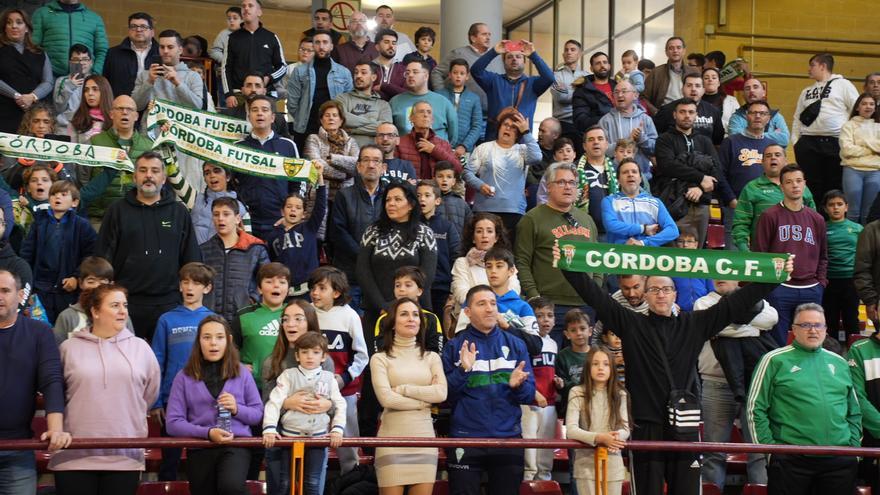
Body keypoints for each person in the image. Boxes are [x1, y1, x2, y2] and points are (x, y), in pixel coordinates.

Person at [559, 254, 793, 495]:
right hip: (645, 425)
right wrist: (568, 266)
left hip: (685, 423)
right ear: (645, 295)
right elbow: (595, 297)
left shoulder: (694, 323)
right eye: (655, 289)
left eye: (666, 289)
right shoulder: (631, 323)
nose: (661, 294)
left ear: (675, 294)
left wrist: (775, 276)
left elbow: (736, 303)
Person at [49, 284, 161, 495]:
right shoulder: (68, 349)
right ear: (95, 311)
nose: (123, 311)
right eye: (115, 305)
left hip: (124, 456)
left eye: (125, 305)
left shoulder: (141, 348)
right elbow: (56, 395)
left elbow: (149, 393)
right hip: (73, 456)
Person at [748, 303, 861, 493]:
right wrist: (772, 453)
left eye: (818, 325)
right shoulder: (773, 360)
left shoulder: (839, 362)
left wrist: (853, 450)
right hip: (791, 460)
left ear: (826, 329)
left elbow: (854, 411)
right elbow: (755, 409)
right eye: (806, 325)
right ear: (793, 329)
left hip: (840, 459)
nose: (813, 330)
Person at [442, 285, 536, 494]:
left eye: (493, 303)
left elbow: (530, 395)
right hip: (465, 439)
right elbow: (445, 397)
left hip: (508, 440)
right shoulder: (454, 346)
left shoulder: (516, 344)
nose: (490, 309)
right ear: (467, 312)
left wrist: (517, 386)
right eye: (481, 303)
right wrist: (464, 371)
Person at [97, 150, 200, 340]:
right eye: (143, 170)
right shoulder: (117, 211)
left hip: (170, 303)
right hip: (126, 303)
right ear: (134, 176)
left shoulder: (179, 212)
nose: (149, 176)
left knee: (165, 364)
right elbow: (103, 258)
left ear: (163, 177)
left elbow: (191, 259)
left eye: (154, 170)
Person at [166, 315, 264, 495]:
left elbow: (258, 414)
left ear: (229, 340)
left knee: (231, 487)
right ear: (199, 341)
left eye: (219, 337)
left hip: (236, 445)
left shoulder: (242, 372)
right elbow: (173, 423)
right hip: (199, 447)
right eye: (207, 337)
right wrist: (207, 433)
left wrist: (237, 409)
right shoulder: (183, 376)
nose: (213, 343)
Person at [695, 279, 777, 490]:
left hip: (754, 386)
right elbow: (712, 324)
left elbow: (771, 319)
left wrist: (726, 326)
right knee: (714, 451)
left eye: (727, 272)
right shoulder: (703, 303)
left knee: (758, 450)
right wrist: (753, 329)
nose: (720, 277)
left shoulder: (757, 300)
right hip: (715, 383)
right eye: (716, 272)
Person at [516, 162, 601, 346]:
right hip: (549, 307)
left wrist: (595, 293)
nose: (568, 187)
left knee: (580, 367)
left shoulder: (587, 220)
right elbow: (522, 262)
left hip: (585, 304)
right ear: (549, 186)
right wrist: (534, 297)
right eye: (561, 182)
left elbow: (597, 261)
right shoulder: (531, 219)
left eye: (572, 183)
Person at [0, 269, 69, 495]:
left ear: (20, 295)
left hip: (18, 448)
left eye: (5, 290)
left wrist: (56, 429)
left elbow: (51, 380)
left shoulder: (39, 333)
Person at [371, 297, 446, 494]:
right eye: (404, 314)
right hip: (391, 440)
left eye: (415, 315)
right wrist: (424, 402)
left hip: (424, 440)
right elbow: (386, 399)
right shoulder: (379, 358)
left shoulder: (432, 357)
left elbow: (441, 393)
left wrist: (404, 389)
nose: (411, 319)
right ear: (393, 322)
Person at [149, 262, 215, 481]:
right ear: (179, 286)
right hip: (172, 399)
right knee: (170, 458)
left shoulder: (214, 320)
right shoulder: (166, 319)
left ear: (207, 288)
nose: (189, 287)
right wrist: (156, 401)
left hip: (206, 399)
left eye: (196, 283)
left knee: (203, 458)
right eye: (185, 282)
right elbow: (157, 360)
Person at [263, 331, 345, 495]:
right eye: (305, 352)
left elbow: (340, 404)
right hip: (289, 437)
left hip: (318, 438)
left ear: (323, 357)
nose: (310, 357)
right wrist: (269, 428)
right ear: (297, 355)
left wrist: (337, 429)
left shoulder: (329, 378)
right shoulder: (288, 375)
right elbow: (274, 402)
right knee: (285, 482)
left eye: (315, 352)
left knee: (312, 482)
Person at [754, 165, 827, 346]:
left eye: (798, 181)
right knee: (777, 342)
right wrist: (769, 285)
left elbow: (823, 255)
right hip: (780, 286)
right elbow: (760, 254)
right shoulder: (769, 216)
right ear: (781, 187)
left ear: (804, 185)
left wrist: (821, 283)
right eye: (789, 182)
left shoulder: (816, 219)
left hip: (811, 287)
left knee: (811, 340)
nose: (794, 185)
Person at [308, 265, 368, 474]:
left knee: (348, 444)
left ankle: (350, 482)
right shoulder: (307, 313)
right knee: (315, 447)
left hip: (345, 392)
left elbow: (362, 356)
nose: (315, 293)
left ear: (336, 292)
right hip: (312, 391)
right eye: (313, 288)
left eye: (321, 288)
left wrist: (344, 378)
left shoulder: (349, 316)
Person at [357, 181, 437, 327]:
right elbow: (363, 271)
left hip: (415, 311)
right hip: (377, 310)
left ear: (411, 205)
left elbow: (427, 274)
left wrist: (404, 306)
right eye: (388, 200)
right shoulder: (372, 231)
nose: (391, 204)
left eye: (397, 199)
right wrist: (384, 305)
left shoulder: (424, 233)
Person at [19, 180, 96, 323]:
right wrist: (27, 285)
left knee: (66, 330)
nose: (57, 197)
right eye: (53, 194)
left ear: (74, 202)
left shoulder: (82, 225)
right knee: (41, 329)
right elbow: (26, 254)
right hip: (40, 289)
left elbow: (90, 255)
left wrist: (76, 277)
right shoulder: (39, 223)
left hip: (68, 290)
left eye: (63, 194)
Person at [653, 98, 727, 247]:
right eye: (682, 112)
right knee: (672, 252)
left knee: (697, 253)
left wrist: (700, 188)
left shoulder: (705, 141)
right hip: (673, 202)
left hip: (701, 204)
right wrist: (701, 178)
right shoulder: (664, 139)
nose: (687, 115)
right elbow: (668, 166)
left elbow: (717, 170)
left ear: (696, 115)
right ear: (675, 114)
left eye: (691, 112)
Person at [792, 53, 860, 205]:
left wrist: (850, 138)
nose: (809, 69)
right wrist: (796, 142)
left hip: (834, 141)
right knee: (810, 185)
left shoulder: (844, 85)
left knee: (834, 184)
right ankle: (813, 219)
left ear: (822, 66)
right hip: (808, 143)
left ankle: (832, 222)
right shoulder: (806, 91)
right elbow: (797, 118)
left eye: (812, 65)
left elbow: (856, 110)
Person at [464, 106, 541, 238]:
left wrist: (527, 132)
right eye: (505, 125)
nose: (508, 128)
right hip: (485, 210)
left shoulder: (522, 150)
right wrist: (480, 185)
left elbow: (537, 157)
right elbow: (467, 173)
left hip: (514, 211)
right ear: (499, 128)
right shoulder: (484, 148)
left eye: (513, 127)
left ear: (518, 134)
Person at [234, 95, 301, 241]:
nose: (259, 113)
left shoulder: (287, 145)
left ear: (272, 117)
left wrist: (289, 216)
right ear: (249, 116)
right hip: (247, 222)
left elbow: (297, 183)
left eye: (264, 110)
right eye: (254, 110)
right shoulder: (238, 148)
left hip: (279, 221)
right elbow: (231, 185)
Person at [329, 145, 387, 311]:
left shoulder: (391, 196)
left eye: (376, 161)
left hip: (380, 275)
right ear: (359, 166)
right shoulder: (344, 195)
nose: (371, 165)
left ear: (383, 168)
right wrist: (363, 254)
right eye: (366, 160)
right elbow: (338, 232)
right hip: (349, 274)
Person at [566, 347, 630, 495]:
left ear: (612, 368)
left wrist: (615, 438)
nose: (601, 368)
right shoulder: (577, 392)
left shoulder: (620, 394)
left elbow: (625, 429)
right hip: (585, 465)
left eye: (606, 364)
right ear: (588, 367)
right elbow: (571, 430)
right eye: (595, 364)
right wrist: (599, 438)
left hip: (613, 462)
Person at [732, 144, 817, 252]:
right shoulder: (751, 188)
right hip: (763, 254)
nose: (773, 158)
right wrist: (744, 250)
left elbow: (813, 220)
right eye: (768, 156)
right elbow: (740, 223)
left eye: (777, 155)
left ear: (786, 160)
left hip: (799, 251)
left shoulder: (801, 187)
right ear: (762, 162)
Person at [87, 95, 154, 229]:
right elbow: (83, 179)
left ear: (136, 116)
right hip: (101, 219)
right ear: (111, 114)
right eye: (120, 108)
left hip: (138, 218)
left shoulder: (148, 146)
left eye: (129, 109)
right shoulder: (95, 142)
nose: (124, 112)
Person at [200, 197, 269, 322]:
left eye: (226, 214)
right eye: (216, 214)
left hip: (247, 319)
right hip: (211, 320)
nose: (220, 218)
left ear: (237, 219)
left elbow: (267, 281)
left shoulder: (255, 248)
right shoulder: (203, 250)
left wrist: (252, 300)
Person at [718, 99, 775, 248]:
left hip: (766, 207)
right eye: (753, 113)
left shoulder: (772, 146)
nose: (758, 116)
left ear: (768, 118)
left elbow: (778, 176)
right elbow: (719, 174)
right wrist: (731, 200)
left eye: (762, 113)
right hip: (736, 206)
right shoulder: (731, 142)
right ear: (746, 116)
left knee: (764, 252)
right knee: (736, 254)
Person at [471, 38, 554, 140]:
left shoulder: (532, 84)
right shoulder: (494, 81)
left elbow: (549, 78)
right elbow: (476, 71)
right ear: (504, 62)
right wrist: (494, 52)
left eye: (518, 57)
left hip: (521, 142)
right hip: (494, 140)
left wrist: (533, 55)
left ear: (524, 62)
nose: (514, 59)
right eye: (509, 57)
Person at [266, 165, 327, 298]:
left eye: (298, 207)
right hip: (285, 293)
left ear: (304, 213)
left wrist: (320, 177)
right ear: (282, 211)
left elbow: (321, 207)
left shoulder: (309, 228)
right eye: (289, 206)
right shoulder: (273, 236)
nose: (293, 210)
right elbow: (271, 262)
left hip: (308, 291)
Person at [287, 30, 352, 149]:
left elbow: (348, 103)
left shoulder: (344, 72)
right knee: (305, 164)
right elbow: (292, 103)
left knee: (333, 163)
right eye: (317, 42)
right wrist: (302, 117)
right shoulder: (299, 71)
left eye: (325, 42)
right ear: (313, 46)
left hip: (334, 128)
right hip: (306, 127)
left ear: (331, 46)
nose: (321, 46)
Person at [450, 212, 519, 322]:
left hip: (503, 317)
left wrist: (492, 310)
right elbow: (461, 294)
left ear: (496, 237)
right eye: (479, 231)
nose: (484, 235)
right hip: (469, 319)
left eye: (489, 231)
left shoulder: (507, 262)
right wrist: (486, 307)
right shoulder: (462, 263)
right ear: (473, 237)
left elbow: (514, 291)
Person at [167, 161, 252, 245]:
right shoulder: (195, 199)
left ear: (228, 177)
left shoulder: (241, 209)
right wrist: (169, 155)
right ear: (204, 178)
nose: (212, 175)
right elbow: (175, 178)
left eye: (217, 171)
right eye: (207, 173)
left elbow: (248, 243)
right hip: (195, 257)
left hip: (224, 258)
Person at [602, 158, 679, 246]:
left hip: (647, 255)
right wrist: (643, 229)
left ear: (640, 178)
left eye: (634, 172)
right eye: (625, 172)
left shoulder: (655, 202)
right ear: (618, 180)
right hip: (618, 254)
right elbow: (611, 225)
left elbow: (673, 230)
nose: (630, 174)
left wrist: (643, 243)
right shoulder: (609, 201)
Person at [222, 0, 286, 107]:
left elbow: (283, 67)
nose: (246, 8)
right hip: (239, 95)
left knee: (269, 123)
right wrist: (229, 94)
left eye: (250, 6)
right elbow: (225, 68)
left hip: (266, 94)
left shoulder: (271, 37)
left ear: (259, 12)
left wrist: (269, 78)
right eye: (243, 6)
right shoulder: (232, 38)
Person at [0, 8, 54, 133]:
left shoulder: (40, 52)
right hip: (4, 111)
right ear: (4, 28)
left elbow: (48, 82)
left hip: (34, 112)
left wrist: (32, 96)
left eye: (19, 22)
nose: (14, 26)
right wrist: (17, 96)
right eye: (9, 22)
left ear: (27, 28)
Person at [430, 22, 502, 115]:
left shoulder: (494, 58)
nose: (488, 38)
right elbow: (437, 73)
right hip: (464, 113)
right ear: (473, 38)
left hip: (489, 114)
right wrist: (442, 96)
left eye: (489, 35)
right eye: (484, 34)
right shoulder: (458, 53)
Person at [53, 256, 129, 343]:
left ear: (111, 284)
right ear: (81, 283)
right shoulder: (67, 317)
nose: (97, 286)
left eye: (103, 282)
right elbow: (58, 351)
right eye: (91, 282)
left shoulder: (121, 314)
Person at [821, 190, 863, 342]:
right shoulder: (821, 228)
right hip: (828, 281)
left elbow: (864, 256)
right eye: (831, 205)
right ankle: (832, 357)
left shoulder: (857, 229)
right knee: (829, 321)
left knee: (851, 320)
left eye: (839, 204)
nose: (836, 208)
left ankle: (855, 358)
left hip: (851, 281)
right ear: (825, 209)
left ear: (846, 207)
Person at [132, 29, 205, 111]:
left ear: (180, 50)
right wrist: (149, 82)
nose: (165, 51)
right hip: (149, 123)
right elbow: (136, 106)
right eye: (162, 47)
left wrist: (178, 83)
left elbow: (198, 107)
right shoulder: (145, 75)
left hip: (179, 124)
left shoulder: (193, 76)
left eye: (170, 47)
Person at [599, 80, 657, 181]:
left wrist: (641, 138)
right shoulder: (605, 121)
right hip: (613, 178)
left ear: (635, 95)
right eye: (616, 92)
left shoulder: (645, 119)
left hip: (643, 178)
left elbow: (655, 149)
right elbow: (601, 150)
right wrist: (627, 141)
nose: (620, 95)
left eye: (624, 91)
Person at [32, 0, 107, 77]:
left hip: (84, 79)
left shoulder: (94, 18)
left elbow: (101, 50)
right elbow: (33, 47)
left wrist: (95, 73)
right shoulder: (42, 14)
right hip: (51, 77)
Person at [417, 180, 460, 315]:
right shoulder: (411, 226)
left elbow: (456, 257)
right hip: (416, 288)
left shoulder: (447, 226)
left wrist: (452, 289)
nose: (422, 199)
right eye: (418, 195)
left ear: (437, 201)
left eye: (427, 195)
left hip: (441, 288)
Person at [390, 59, 457, 142]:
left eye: (415, 72)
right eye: (407, 73)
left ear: (426, 76)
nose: (410, 75)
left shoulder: (443, 102)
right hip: (405, 152)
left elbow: (453, 135)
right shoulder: (395, 101)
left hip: (436, 152)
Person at [304, 100, 359, 200]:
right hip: (319, 193)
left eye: (335, 115)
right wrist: (345, 174)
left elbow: (357, 165)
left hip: (345, 195)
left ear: (341, 120)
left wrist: (333, 159)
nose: (331, 118)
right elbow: (316, 165)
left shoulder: (351, 142)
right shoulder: (313, 139)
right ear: (321, 120)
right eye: (327, 115)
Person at [839, 92, 880, 224]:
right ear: (857, 107)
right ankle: (852, 242)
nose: (868, 107)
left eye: (871, 104)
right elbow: (846, 150)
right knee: (853, 211)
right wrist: (872, 149)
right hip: (853, 170)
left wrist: (861, 143)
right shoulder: (848, 126)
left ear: (875, 107)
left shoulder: (878, 126)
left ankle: (865, 243)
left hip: (875, 171)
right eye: (864, 103)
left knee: (868, 212)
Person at [652, 73, 725, 145]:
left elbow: (718, 141)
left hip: (704, 155)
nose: (693, 89)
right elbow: (655, 136)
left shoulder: (713, 111)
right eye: (689, 85)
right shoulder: (667, 110)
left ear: (703, 90)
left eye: (697, 86)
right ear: (682, 89)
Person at [395, 100, 459, 179]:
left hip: (435, 190)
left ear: (432, 120)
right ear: (411, 118)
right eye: (421, 112)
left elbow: (458, 169)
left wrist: (434, 150)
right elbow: (393, 172)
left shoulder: (443, 144)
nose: (425, 115)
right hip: (410, 189)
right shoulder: (400, 142)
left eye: (429, 112)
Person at [336, 61, 392, 147]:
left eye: (363, 72)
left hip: (373, 154)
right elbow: (341, 119)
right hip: (345, 151)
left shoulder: (383, 105)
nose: (358, 76)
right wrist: (373, 123)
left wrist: (352, 130)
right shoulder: (342, 98)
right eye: (356, 72)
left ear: (373, 77)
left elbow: (385, 129)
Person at [102, 12, 158, 98]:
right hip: (121, 106)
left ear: (152, 32)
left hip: (152, 106)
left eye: (143, 26)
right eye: (134, 26)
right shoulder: (113, 54)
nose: (138, 30)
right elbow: (105, 83)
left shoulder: (161, 53)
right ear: (129, 31)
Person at [436, 58, 484, 158]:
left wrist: (464, 146)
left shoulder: (474, 98)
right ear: (449, 75)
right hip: (441, 147)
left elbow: (477, 126)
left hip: (464, 150)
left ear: (467, 76)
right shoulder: (439, 95)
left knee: (463, 173)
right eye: (455, 72)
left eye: (462, 73)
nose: (458, 76)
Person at [220, 72, 290, 138]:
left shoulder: (278, 119)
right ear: (242, 90)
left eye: (258, 86)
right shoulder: (227, 116)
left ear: (264, 91)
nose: (253, 89)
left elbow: (285, 146)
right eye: (249, 85)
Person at [727, 77, 791, 146]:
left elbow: (784, 139)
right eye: (747, 88)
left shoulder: (776, 116)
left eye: (755, 87)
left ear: (764, 92)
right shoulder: (736, 117)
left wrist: (750, 134)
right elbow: (736, 139)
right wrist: (772, 134)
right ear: (743, 95)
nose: (751, 90)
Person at [572, 51, 617, 135]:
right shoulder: (582, 91)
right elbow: (580, 120)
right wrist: (609, 120)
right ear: (591, 68)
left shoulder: (618, 86)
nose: (602, 65)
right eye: (598, 63)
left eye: (605, 62)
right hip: (597, 135)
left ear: (609, 66)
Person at [552, 40, 588, 145]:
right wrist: (580, 91)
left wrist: (568, 89)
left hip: (582, 123)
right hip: (562, 123)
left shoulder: (587, 76)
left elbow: (590, 99)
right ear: (563, 54)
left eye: (573, 50)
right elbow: (561, 97)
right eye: (566, 50)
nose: (569, 52)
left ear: (579, 54)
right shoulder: (555, 76)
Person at [671, 229, 714, 312]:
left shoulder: (704, 265)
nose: (685, 245)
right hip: (680, 312)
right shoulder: (671, 266)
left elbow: (712, 291)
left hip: (703, 311)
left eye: (689, 241)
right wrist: (672, 304)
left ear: (696, 244)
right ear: (676, 244)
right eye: (681, 241)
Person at [53, 44, 95, 129]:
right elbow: (58, 109)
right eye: (76, 59)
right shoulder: (62, 81)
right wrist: (69, 86)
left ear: (91, 62)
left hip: (88, 129)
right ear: (70, 62)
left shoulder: (96, 82)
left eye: (85, 59)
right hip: (64, 128)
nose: (81, 63)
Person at [642, 36, 686, 113]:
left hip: (688, 114)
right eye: (671, 48)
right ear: (666, 52)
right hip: (664, 115)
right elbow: (643, 98)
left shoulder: (693, 72)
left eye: (678, 47)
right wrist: (656, 113)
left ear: (684, 50)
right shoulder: (656, 72)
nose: (675, 50)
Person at [66, 73, 111, 144]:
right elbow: (72, 151)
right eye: (86, 90)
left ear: (104, 92)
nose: (90, 93)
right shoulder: (77, 120)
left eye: (95, 89)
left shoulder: (114, 120)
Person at [372, 29, 406, 101]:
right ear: (377, 47)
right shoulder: (368, 68)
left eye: (394, 43)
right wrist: (394, 90)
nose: (391, 46)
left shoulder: (404, 69)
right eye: (386, 42)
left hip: (396, 110)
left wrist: (384, 87)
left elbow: (407, 94)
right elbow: (366, 92)